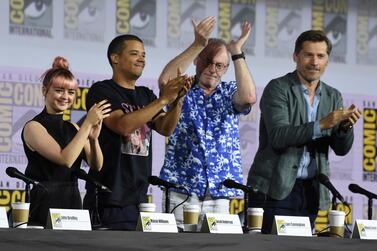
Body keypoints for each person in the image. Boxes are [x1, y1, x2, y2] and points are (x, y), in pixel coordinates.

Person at [246, 30, 362, 234]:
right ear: (296, 56)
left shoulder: (333, 95)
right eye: (309, 55)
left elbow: (341, 150)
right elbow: (279, 136)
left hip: (311, 192)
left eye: (321, 56)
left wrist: (344, 129)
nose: (314, 62)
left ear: (327, 60)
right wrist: (323, 124)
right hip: (273, 190)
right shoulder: (278, 88)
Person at [83, 34, 192, 230]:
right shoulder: (101, 90)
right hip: (109, 196)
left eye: (144, 54)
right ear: (115, 58)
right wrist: (163, 100)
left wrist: (177, 101)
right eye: (134, 54)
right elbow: (121, 125)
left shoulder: (145, 94)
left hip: (139, 198)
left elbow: (165, 128)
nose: (141, 59)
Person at [158, 17, 257, 229]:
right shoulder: (182, 86)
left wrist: (236, 51)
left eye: (220, 65)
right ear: (196, 60)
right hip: (181, 187)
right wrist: (198, 45)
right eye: (207, 61)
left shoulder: (229, 91)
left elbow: (248, 97)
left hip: (218, 192)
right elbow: (165, 81)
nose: (213, 69)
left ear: (226, 68)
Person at [22, 56, 111, 227]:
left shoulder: (74, 128)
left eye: (70, 92)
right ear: (44, 91)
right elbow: (65, 160)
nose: (65, 97)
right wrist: (87, 124)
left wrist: (93, 139)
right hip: (44, 201)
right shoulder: (34, 126)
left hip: (73, 201)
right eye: (59, 90)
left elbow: (96, 165)